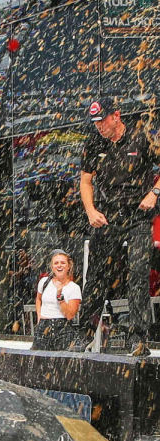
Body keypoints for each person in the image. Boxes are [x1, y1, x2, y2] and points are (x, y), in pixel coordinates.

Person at [80, 97, 160, 355]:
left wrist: (155, 192)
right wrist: (91, 211)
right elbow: (85, 182)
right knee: (96, 274)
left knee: (138, 273)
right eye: (95, 123)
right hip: (107, 214)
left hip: (138, 213)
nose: (99, 126)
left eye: (102, 120)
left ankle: (138, 338)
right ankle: (83, 333)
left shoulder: (141, 137)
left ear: (116, 116)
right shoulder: (94, 143)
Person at [31, 250, 82, 351]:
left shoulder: (74, 288)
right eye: (56, 263)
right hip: (43, 327)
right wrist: (39, 317)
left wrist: (60, 298)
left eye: (63, 263)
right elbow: (38, 299)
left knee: (61, 362)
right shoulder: (44, 282)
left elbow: (70, 315)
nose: (59, 266)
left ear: (68, 266)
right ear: (52, 267)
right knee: (38, 361)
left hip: (63, 328)